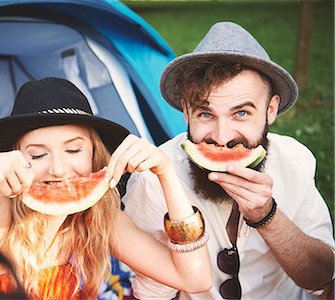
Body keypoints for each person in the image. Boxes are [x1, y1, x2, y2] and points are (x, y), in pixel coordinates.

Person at [0, 77, 212, 299]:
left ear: (96, 155)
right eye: (38, 154)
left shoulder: (98, 216)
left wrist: (166, 173)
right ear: (15, 158)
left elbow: (195, 279)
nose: (57, 169)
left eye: (73, 150)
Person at [122, 21, 335, 299]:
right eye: (206, 114)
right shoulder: (153, 178)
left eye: (241, 113)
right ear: (186, 113)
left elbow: (322, 277)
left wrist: (267, 216)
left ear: (270, 110)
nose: (222, 138)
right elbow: (152, 293)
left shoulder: (295, 161)